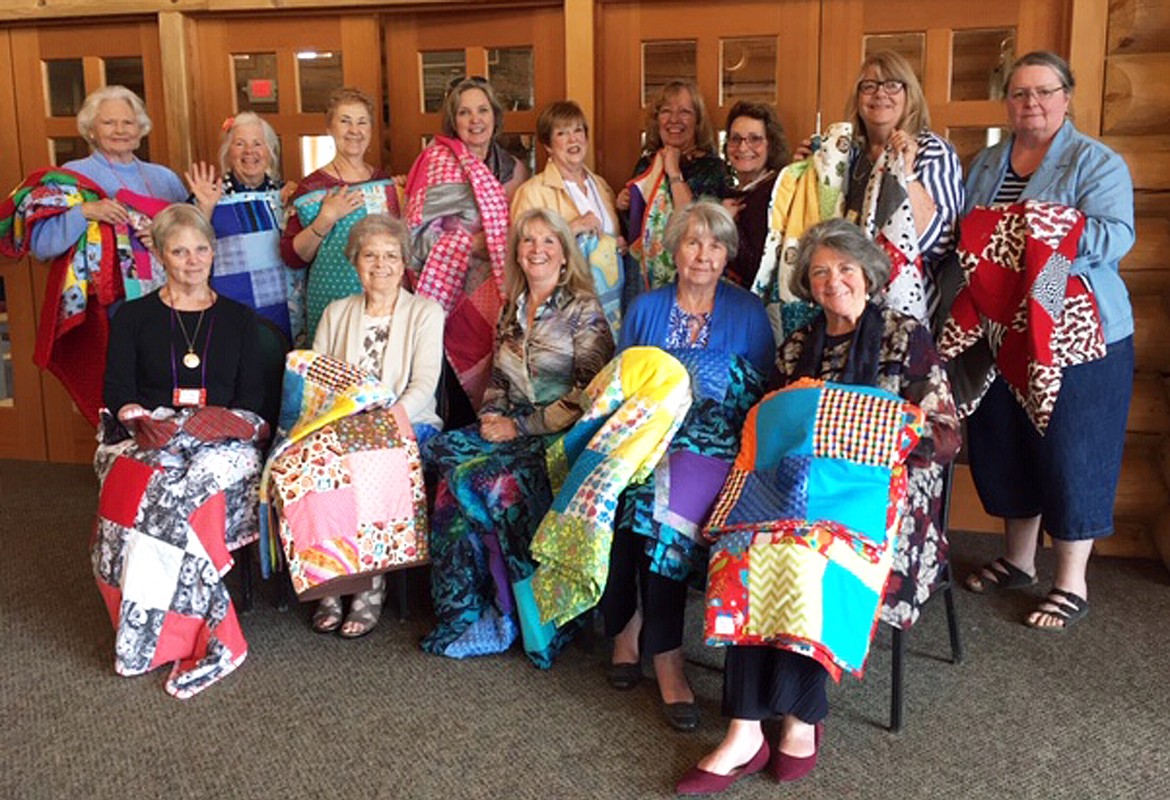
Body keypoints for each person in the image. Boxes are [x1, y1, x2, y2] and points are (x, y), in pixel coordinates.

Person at [677, 218, 959, 793]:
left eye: (845, 269)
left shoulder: (905, 337)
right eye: (820, 272)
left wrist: (874, 430)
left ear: (869, 275)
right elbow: (769, 425)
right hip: (788, 494)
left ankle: (801, 715)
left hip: (877, 501)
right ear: (808, 283)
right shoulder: (800, 344)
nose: (834, 282)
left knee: (809, 555)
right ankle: (744, 726)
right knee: (746, 548)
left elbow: (947, 434)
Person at [957, 52, 1135, 631]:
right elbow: (969, 232)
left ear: (1067, 96)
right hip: (998, 319)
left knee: (1070, 443)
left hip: (1069, 315)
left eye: (1043, 92)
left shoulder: (1096, 161)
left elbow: (1115, 236)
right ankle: (1018, 560)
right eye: (1019, 93)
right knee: (1006, 436)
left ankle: (1071, 580)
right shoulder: (984, 162)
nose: (1030, 103)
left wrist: (1044, 240)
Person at [601, 200, 773, 732]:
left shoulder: (747, 312)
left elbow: (763, 394)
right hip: (651, 439)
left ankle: (665, 652)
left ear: (727, 255)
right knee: (618, 494)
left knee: (659, 512)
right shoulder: (646, 308)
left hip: (718, 448)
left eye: (716, 245)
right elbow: (624, 382)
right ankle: (631, 623)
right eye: (693, 242)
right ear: (673, 249)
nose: (704, 255)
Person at [421, 207, 613, 667]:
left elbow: (589, 397)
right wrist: (490, 417)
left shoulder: (583, 310)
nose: (537, 250)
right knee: (439, 458)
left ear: (565, 255)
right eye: (528, 241)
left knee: (482, 482)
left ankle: (511, 613)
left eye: (549, 242)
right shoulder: (513, 305)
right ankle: (465, 612)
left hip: (557, 435)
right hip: (511, 425)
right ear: (517, 252)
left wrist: (518, 428)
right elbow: (499, 383)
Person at [93, 203, 268, 698]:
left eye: (201, 249)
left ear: (213, 252)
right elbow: (116, 390)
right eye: (179, 250)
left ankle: (175, 631)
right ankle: (171, 627)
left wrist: (211, 425)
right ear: (161, 256)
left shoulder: (238, 318)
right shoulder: (133, 317)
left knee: (181, 492)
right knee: (151, 485)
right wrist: (142, 420)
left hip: (223, 436)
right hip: (148, 432)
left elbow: (253, 400)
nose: (193, 260)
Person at [0, 85, 189, 422]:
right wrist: (86, 212)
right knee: (122, 391)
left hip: (169, 299)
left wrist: (161, 236)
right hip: (110, 306)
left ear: (141, 128)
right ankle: (122, 463)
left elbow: (192, 238)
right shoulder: (73, 175)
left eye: (128, 123)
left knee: (170, 381)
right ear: (91, 129)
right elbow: (42, 246)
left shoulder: (165, 179)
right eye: (109, 123)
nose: (120, 131)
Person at [298, 214, 443, 638]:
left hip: (408, 422)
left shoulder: (425, 312)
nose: (380, 264)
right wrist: (332, 424)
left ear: (404, 263)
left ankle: (370, 585)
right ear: (355, 262)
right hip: (341, 422)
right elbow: (317, 380)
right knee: (308, 461)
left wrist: (383, 422)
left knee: (370, 460)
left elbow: (424, 385)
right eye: (370, 255)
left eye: (390, 256)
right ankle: (330, 579)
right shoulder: (336, 312)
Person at [794, 51, 964, 323]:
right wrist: (807, 171)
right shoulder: (848, 155)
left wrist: (906, 173)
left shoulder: (932, 151)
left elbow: (939, 245)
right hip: (842, 307)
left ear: (910, 94)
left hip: (904, 314)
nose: (880, 94)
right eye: (869, 86)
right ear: (858, 97)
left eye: (892, 84)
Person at [405, 76, 529, 426]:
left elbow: (528, 228)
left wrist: (500, 244)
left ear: (495, 115)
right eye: (464, 112)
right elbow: (413, 235)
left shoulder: (514, 169)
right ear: (453, 120)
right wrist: (473, 245)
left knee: (501, 378)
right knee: (456, 399)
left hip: (503, 294)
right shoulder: (436, 162)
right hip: (450, 293)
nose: (475, 120)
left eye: (483, 110)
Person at [281, 87, 400, 341]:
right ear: (330, 129)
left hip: (385, 301)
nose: (354, 130)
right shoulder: (310, 188)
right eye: (345, 121)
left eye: (362, 122)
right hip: (330, 303)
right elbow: (292, 257)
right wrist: (326, 218)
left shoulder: (386, 183)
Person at [186, 112, 305, 343]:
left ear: (270, 152)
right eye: (239, 144)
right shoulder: (208, 194)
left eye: (257, 143)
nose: (249, 151)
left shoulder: (288, 195)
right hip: (228, 311)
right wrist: (205, 209)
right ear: (228, 153)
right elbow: (185, 249)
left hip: (285, 310)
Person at [511, 100, 624, 330]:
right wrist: (571, 228)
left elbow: (610, 240)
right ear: (548, 145)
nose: (573, 139)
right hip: (559, 313)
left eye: (578, 130)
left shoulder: (601, 186)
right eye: (562, 133)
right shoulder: (532, 192)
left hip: (610, 306)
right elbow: (521, 252)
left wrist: (618, 245)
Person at [616, 79, 730, 293]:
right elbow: (635, 230)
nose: (674, 120)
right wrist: (624, 205)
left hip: (693, 277)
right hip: (644, 280)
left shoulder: (712, 167)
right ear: (657, 119)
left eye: (685, 112)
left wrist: (673, 172)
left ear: (698, 121)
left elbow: (694, 222)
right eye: (666, 111)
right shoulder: (645, 164)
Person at [720, 101, 789, 289]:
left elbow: (757, 270)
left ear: (771, 144)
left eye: (755, 139)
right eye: (735, 139)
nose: (743, 147)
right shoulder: (733, 193)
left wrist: (728, 224)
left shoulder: (776, 193)